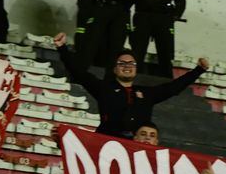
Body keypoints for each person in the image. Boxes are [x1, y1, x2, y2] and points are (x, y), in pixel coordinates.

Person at [54, 32, 209, 138]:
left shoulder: (147, 93)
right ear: (115, 69)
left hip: (136, 151)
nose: (127, 66)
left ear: (136, 69)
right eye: (122, 63)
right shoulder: (104, 89)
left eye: (131, 63)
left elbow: (174, 88)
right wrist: (62, 48)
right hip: (106, 145)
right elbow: (79, 73)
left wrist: (198, 70)